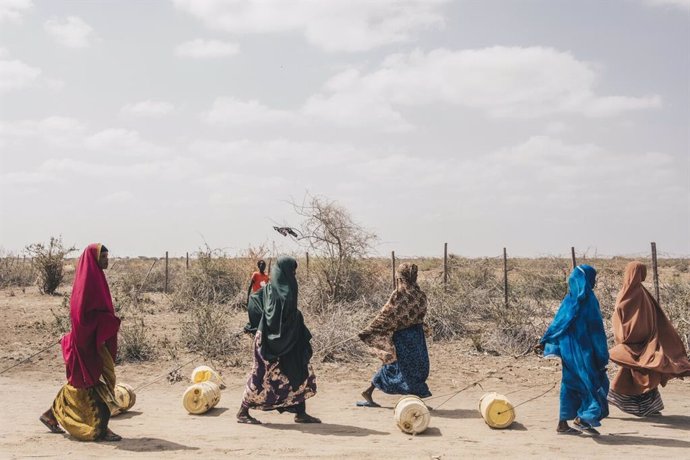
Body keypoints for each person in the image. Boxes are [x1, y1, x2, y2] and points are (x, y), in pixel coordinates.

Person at [39, 244, 122, 441]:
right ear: (94, 259)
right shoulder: (87, 284)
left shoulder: (97, 279)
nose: (107, 260)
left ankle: (51, 415)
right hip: (88, 342)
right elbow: (82, 317)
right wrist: (107, 322)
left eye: (107, 256)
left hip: (94, 339)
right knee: (95, 383)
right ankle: (102, 428)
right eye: (103, 257)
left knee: (81, 382)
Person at [237, 255, 320, 425]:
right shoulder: (286, 291)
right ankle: (242, 411)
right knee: (261, 376)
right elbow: (286, 317)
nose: (294, 275)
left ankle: (300, 412)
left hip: (285, 341)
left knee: (299, 371)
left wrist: (256, 323)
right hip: (271, 343)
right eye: (292, 271)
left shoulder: (269, 288)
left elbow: (254, 301)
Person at [608, 261, 690, 417]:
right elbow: (626, 320)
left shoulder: (632, 293)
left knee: (644, 374)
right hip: (637, 343)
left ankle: (645, 407)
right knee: (643, 374)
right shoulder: (637, 294)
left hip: (643, 343)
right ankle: (634, 404)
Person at [539, 265, 609, 436]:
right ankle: (583, 419)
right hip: (584, 352)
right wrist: (602, 356)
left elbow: (557, 325)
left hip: (568, 352)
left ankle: (563, 424)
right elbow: (596, 330)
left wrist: (546, 342)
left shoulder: (569, 300)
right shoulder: (589, 301)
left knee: (569, 384)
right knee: (594, 384)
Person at [358, 263, 431, 407]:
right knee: (404, 367)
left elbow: (387, 315)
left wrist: (372, 328)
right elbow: (387, 315)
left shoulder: (408, 294)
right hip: (407, 337)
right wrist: (370, 329)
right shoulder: (409, 295)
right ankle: (415, 401)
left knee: (413, 367)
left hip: (412, 336)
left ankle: (370, 391)